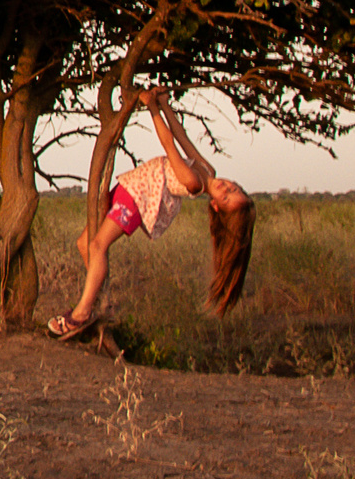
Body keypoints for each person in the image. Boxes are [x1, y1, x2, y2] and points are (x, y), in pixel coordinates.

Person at [48, 86, 254, 339]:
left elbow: (169, 145)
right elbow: (181, 136)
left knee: (98, 245)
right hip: (128, 186)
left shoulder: (194, 183)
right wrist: (165, 104)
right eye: (234, 188)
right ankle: (98, 300)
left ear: (215, 206)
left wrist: (153, 107)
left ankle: (82, 312)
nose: (226, 187)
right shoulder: (207, 170)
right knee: (84, 243)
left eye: (226, 197)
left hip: (138, 199)